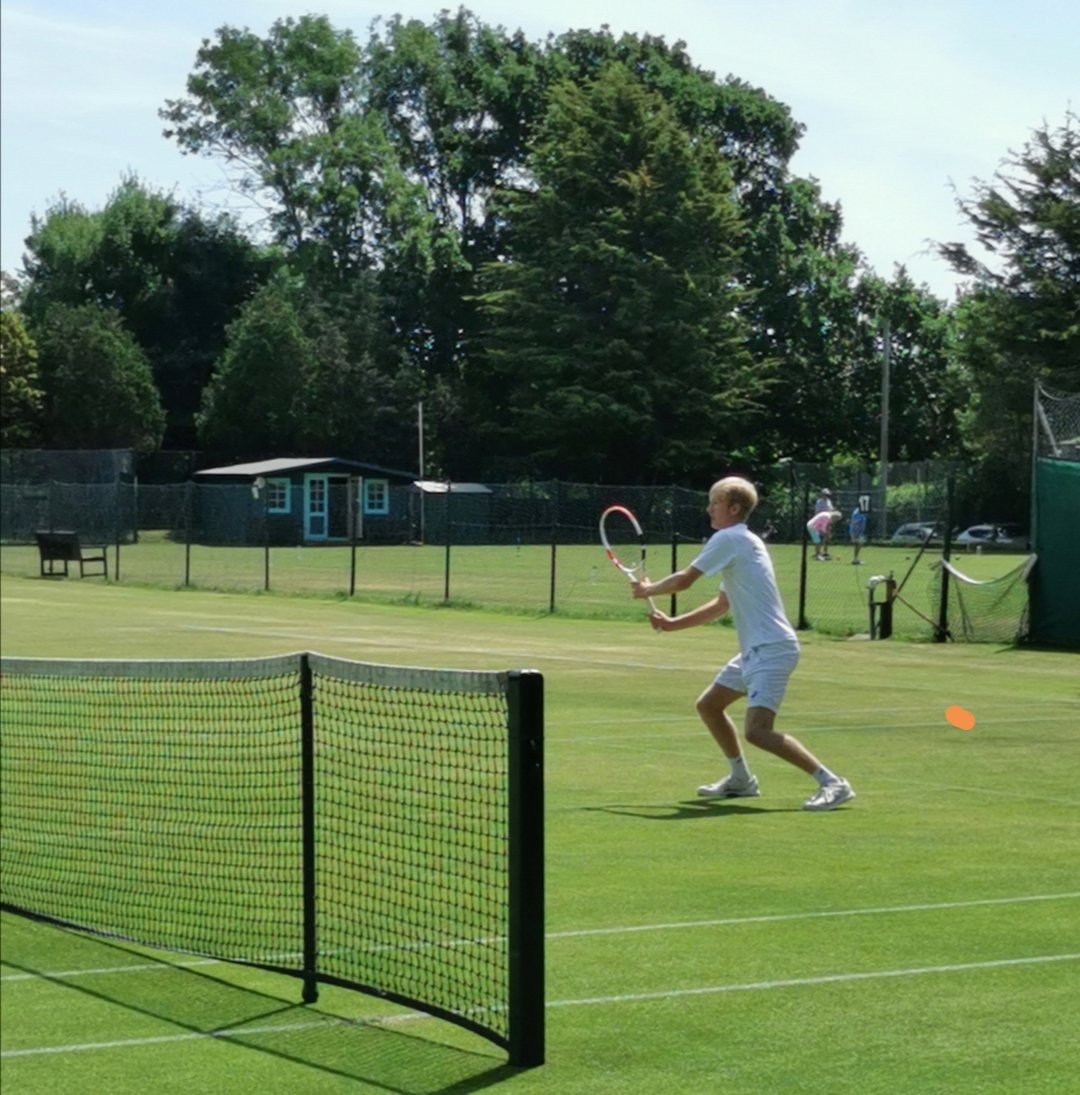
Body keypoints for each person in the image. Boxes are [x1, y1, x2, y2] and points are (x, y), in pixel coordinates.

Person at [631, 476, 855, 812]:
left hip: (773, 649)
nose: (709, 509)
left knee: (758, 731)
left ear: (734, 508)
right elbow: (722, 605)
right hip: (756, 651)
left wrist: (648, 590)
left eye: (715, 503)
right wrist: (673, 624)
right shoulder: (744, 542)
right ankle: (741, 779)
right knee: (709, 705)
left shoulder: (729, 538)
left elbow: (686, 580)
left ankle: (833, 783)